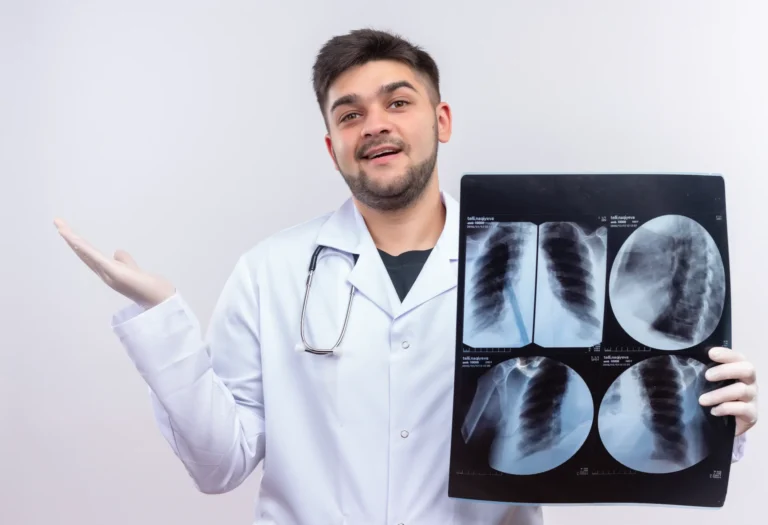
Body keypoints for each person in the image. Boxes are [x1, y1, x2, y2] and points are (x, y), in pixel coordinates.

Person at [54, 28, 758, 525]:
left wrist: (720, 415)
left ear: (440, 119)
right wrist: (162, 319)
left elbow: (627, 434)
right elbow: (219, 466)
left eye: (398, 101)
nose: (375, 125)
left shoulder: (527, 251)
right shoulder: (271, 270)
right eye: (349, 113)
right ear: (331, 145)